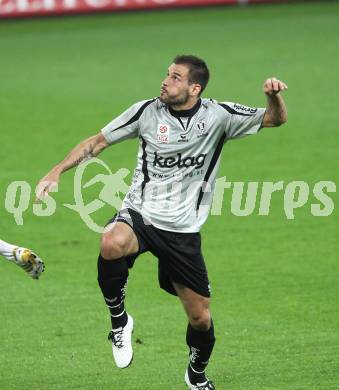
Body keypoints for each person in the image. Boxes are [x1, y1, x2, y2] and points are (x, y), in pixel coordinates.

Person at [36, 55, 287, 389]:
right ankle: (119, 323)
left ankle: (196, 374)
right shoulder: (146, 112)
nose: (166, 81)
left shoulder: (218, 116)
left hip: (182, 231)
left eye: (176, 77)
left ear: (194, 88)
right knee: (110, 241)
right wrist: (56, 171)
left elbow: (275, 119)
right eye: (167, 74)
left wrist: (273, 95)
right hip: (141, 214)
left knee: (200, 318)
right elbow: (95, 143)